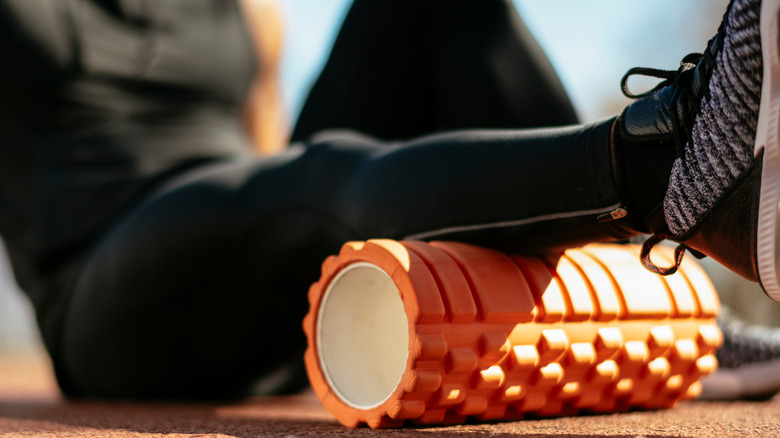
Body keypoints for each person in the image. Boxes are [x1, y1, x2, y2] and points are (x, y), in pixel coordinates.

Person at [0, 0, 776, 400]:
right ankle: (670, 165)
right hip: (111, 299)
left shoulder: (241, 10)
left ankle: (658, 316)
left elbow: (261, 140)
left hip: (243, 247)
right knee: (314, 181)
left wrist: (265, 244)